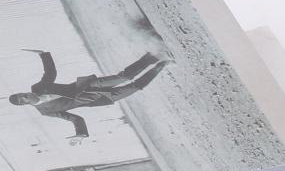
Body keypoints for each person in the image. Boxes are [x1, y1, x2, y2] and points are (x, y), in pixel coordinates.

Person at [8, 48, 170, 141]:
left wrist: (43, 54)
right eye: (25, 98)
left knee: (125, 77)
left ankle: (154, 56)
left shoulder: (38, 87)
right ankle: (161, 65)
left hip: (90, 86)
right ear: (26, 103)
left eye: (23, 93)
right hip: (99, 99)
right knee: (135, 87)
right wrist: (81, 134)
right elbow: (75, 119)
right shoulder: (46, 111)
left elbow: (51, 73)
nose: (27, 94)